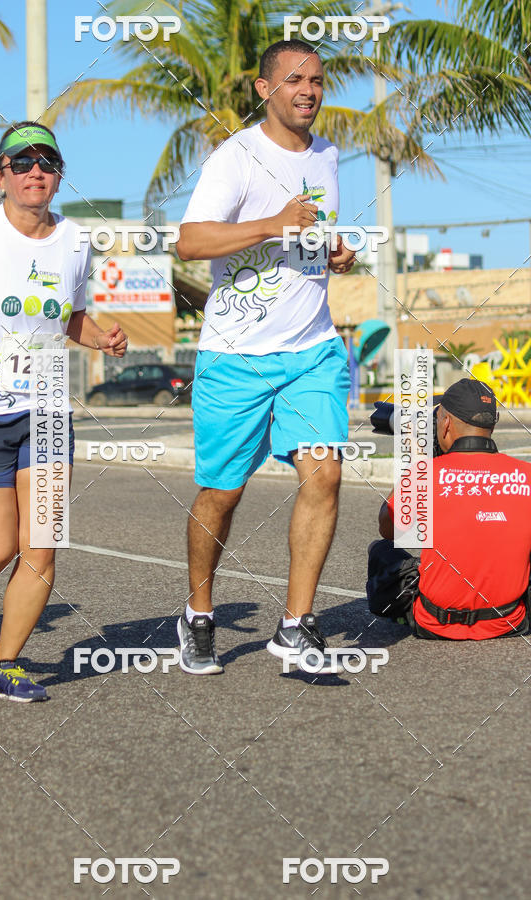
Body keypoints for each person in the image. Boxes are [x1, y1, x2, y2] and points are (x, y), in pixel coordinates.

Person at [175, 39, 356, 675]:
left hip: (312, 347)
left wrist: (333, 253)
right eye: (294, 80)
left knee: (325, 474)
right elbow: (191, 242)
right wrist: (272, 224)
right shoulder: (237, 158)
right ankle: (199, 614)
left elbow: (313, 232)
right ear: (264, 90)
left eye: (316, 79)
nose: (307, 90)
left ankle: (294, 626)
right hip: (236, 356)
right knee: (221, 494)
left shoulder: (329, 156)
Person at [0, 121, 127, 701]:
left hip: (43, 411)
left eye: (46, 163)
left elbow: (66, 318)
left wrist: (101, 338)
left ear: (58, 176)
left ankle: (6, 664)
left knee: (42, 544)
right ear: (2, 177)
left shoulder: (75, 241)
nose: (35, 172)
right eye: (22, 164)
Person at [368, 378, 531, 639]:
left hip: (433, 622)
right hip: (509, 621)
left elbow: (389, 529)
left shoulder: (427, 475)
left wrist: (417, 465)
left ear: (444, 424)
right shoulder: (526, 474)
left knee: (381, 550)